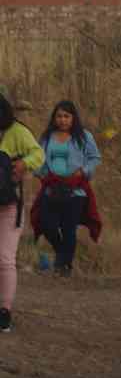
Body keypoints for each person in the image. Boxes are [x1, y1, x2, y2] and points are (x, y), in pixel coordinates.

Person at [33, 101, 101, 277]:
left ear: (73, 118)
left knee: (69, 229)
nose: (62, 120)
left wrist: (83, 171)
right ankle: (62, 254)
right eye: (59, 116)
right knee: (47, 225)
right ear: (54, 118)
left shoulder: (84, 136)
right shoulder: (47, 137)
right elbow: (38, 158)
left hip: (75, 190)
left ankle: (64, 267)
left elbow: (94, 158)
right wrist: (41, 174)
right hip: (51, 188)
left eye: (66, 116)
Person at [0, 94, 44, 333]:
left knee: (5, 258)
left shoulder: (18, 131)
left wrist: (23, 164)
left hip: (8, 204)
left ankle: (4, 311)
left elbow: (38, 154)